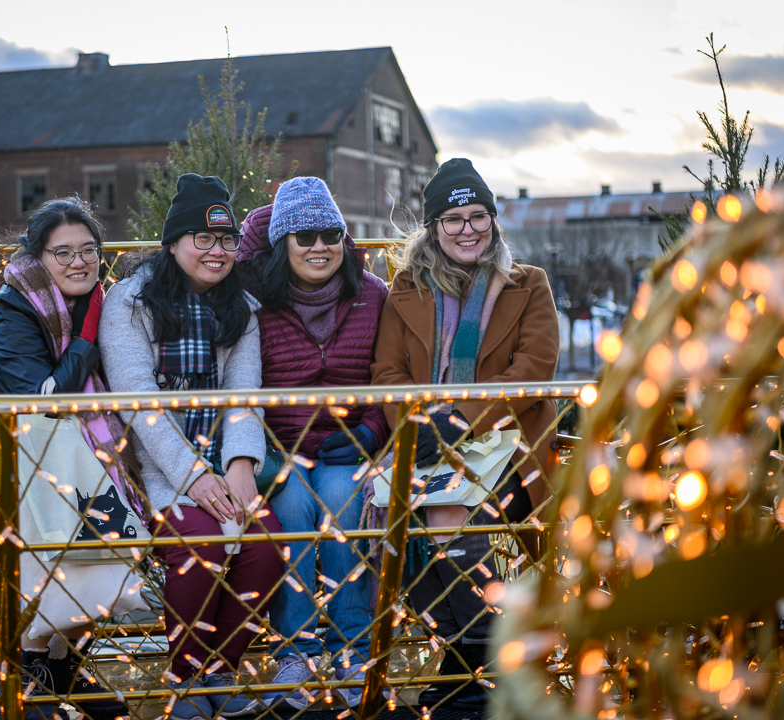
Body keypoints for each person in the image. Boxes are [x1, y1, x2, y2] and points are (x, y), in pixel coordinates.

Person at [370, 158, 560, 712]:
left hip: (507, 442)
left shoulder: (528, 285)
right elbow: (387, 375)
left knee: (450, 516)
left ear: (494, 222)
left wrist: (457, 417)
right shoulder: (404, 290)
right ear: (433, 228)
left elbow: (534, 368)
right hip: (424, 440)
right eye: (453, 219)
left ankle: (477, 664)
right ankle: (469, 660)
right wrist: (420, 425)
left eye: (479, 216)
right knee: (388, 520)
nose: (468, 229)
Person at [101, 174, 282, 720]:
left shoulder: (241, 310)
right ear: (174, 243)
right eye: (202, 239)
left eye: (226, 240)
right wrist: (192, 477)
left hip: (223, 460)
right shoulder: (129, 302)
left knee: (269, 548)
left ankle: (218, 670)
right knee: (199, 548)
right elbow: (140, 405)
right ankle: (185, 680)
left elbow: (242, 397)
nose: (217, 251)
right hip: (152, 467)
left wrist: (241, 466)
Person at [0, 196, 143, 720]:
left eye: (89, 250)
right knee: (72, 510)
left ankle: (56, 662)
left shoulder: (96, 301)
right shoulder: (14, 308)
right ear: (39, 257)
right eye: (64, 253)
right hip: (8, 449)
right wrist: (87, 338)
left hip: (66, 450)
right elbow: (45, 401)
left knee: (99, 505)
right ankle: (42, 662)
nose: (79, 262)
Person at [236, 177, 389, 710]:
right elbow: (244, 382)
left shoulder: (371, 293)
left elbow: (388, 374)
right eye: (303, 236)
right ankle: (295, 654)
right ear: (282, 244)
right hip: (280, 447)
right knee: (295, 506)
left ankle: (353, 652)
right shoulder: (257, 299)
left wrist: (371, 429)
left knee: (346, 504)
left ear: (344, 240)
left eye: (330, 234)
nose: (318, 246)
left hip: (350, 443)